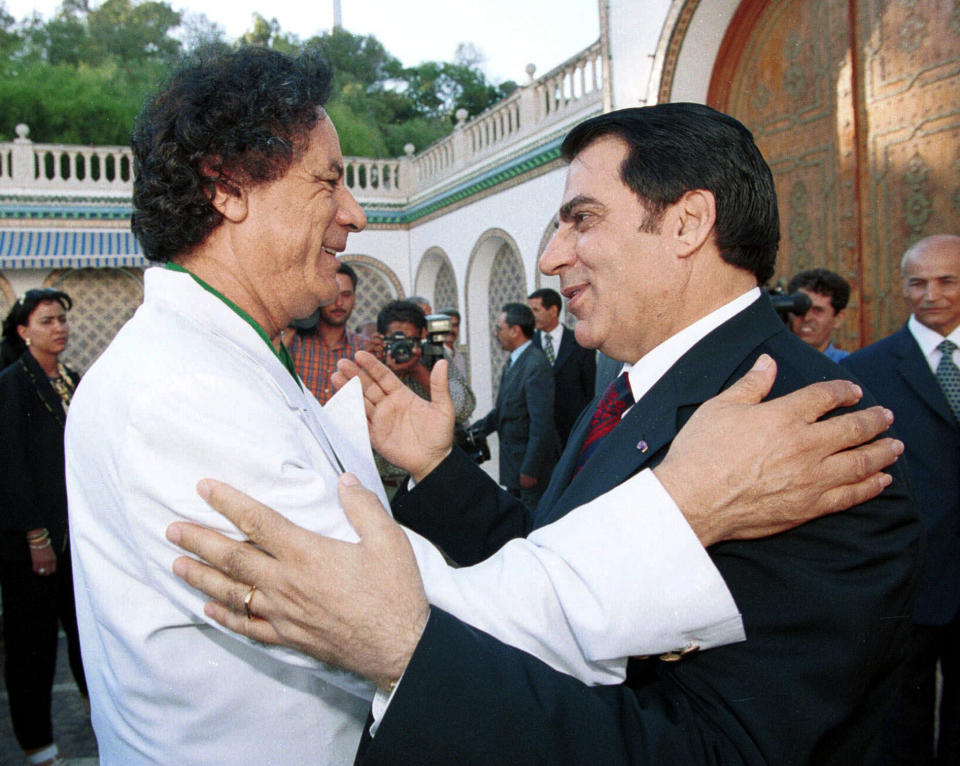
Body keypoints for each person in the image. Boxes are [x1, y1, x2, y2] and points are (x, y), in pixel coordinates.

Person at [64, 49, 795, 764]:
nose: (355, 213)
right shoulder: (183, 393)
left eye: (583, 219)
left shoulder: (225, 361)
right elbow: (421, 621)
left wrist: (430, 462)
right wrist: (682, 504)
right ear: (226, 188)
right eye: (329, 180)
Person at [168, 104, 920, 765]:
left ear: (689, 222)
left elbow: (716, 747)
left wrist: (417, 658)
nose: (553, 257)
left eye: (582, 219)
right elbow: (559, 554)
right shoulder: (640, 389)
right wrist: (439, 467)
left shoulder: (804, 433)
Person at [842, 233, 960, 765]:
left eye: (947, 281)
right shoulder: (869, 370)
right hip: (909, 578)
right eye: (918, 282)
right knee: (900, 728)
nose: (931, 294)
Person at [0, 288, 87, 766]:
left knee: (85, 635)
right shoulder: (12, 385)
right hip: (31, 543)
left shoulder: (72, 380)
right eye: (47, 321)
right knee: (32, 647)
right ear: (22, 330)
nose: (59, 329)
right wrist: (36, 537)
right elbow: (10, 467)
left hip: (76, 540)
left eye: (62, 320)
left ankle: (103, 719)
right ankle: (38, 746)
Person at [475, 302, 559, 507]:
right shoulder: (514, 362)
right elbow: (503, 411)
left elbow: (542, 423)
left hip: (529, 471)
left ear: (515, 331)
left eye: (499, 329)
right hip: (514, 466)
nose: (496, 334)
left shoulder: (535, 364)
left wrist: (530, 469)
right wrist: (474, 431)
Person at [529, 287, 596, 445]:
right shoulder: (529, 345)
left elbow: (590, 389)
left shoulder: (579, 342)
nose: (531, 316)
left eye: (536, 310)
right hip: (540, 439)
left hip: (573, 433)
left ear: (553, 310)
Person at [289, 261, 364, 404]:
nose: (339, 303)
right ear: (319, 297)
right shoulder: (294, 343)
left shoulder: (364, 349)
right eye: (333, 294)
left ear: (354, 299)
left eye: (346, 295)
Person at [788, 267, 852, 361]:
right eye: (800, 309)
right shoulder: (769, 364)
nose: (807, 318)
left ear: (838, 319)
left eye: (817, 310)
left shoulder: (849, 367)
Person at [437, 306, 467, 378]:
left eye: (454, 325)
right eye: (447, 325)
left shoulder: (459, 357)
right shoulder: (434, 354)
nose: (451, 329)